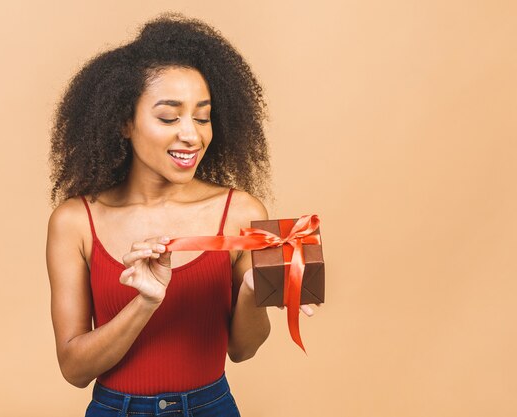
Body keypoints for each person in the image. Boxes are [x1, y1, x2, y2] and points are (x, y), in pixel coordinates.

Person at [46, 12, 316, 417]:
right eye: (169, 117)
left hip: (212, 406)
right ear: (124, 122)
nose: (192, 135)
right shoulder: (75, 222)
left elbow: (243, 350)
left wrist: (251, 293)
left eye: (203, 117)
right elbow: (74, 368)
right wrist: (144, 303)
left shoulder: (239, 212)